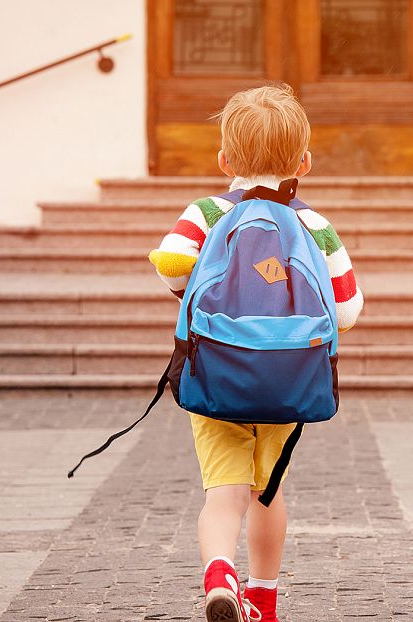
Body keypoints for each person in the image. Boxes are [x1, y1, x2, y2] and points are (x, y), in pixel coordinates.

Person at [148, 84, 364, 622]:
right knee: (267, 494)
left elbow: (170, 261)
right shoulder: (314, 225)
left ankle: (219, 572)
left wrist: (201, 294)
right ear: (304, 162)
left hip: (216, 373)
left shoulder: (206, 211)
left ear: (224, 160)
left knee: (223, 493)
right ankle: (263, 601)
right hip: (287, 381)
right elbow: (348, 309)